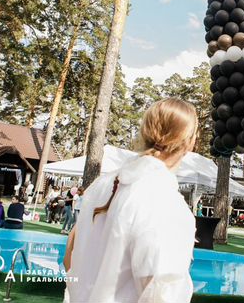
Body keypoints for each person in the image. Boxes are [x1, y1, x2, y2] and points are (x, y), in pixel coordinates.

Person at [64, 98, 198, 303]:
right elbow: (162, 295)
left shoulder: (101, 185)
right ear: (190, 141)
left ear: (144, 131)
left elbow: (70, 258)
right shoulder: (166, 204)